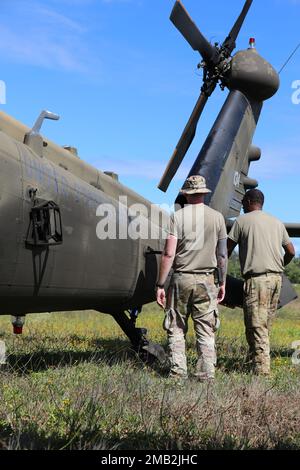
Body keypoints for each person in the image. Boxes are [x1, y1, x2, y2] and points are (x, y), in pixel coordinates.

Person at [156, 175, 228, 382]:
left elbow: (169, 254)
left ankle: (178, 374)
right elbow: (222, 255)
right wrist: (221, 281)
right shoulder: (217, 218)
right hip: (207, 281)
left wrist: (161, 284)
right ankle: (206, 376)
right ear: (204, 194)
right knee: (206, 330)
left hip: (181, 279)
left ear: (186, 194)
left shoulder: (177, 217)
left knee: (176, 328)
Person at [227, 189, 295, 376]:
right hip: (276, 280)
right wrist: (280, 264)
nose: (241, 205)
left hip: (256, 280)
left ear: (249, 201)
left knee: (256, 326)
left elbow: (226, 249)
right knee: (263, 325)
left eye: (243, 202)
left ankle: (262, 372)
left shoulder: (242, 221)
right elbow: (290, 251)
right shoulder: (276, 222)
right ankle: (253, 361)